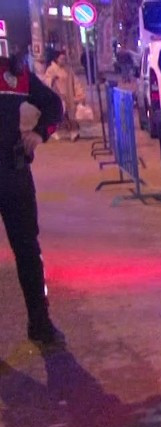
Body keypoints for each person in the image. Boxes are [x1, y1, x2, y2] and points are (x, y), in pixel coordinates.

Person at [0, 54, 64, 347]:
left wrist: (40, 134)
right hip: (13, 177)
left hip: (13, 176)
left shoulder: (11, 73)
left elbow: (54, 105)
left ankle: (39, 322)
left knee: (28, 251)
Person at [43, 50, 81, 141]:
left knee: (71, 114)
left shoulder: (68, 69)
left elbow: (75, 81)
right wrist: (52, 79)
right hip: (57, 96)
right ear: (57, 59)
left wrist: (79, 93)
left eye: (64, 59)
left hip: (68, 95)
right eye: (61, 59)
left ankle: (74, 133)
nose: (63, 60)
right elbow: (46, 81)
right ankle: (54, 131)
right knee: (58, 115)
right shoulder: (51, 69)